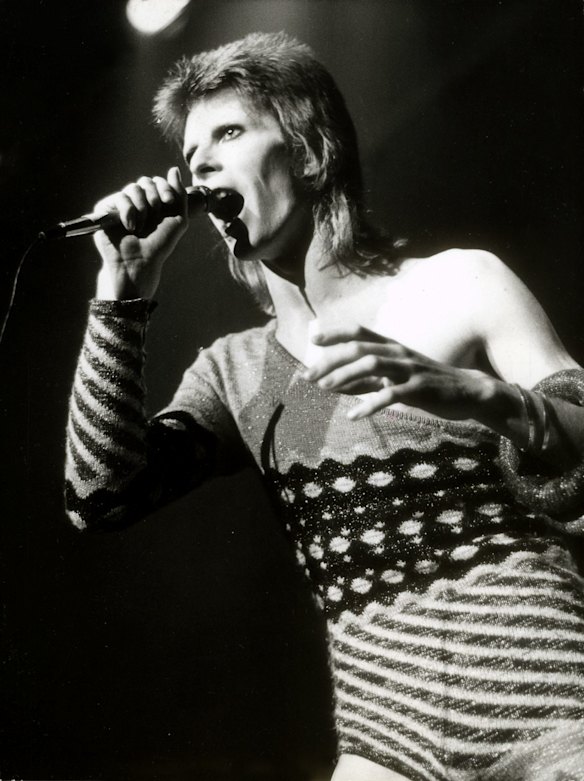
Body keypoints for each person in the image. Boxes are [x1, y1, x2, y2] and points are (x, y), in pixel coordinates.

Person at [64, 31, 584, 781]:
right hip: (386, 744)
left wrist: (474, 394)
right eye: (190, 151)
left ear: (311, 152)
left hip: (549, 714)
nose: (198, 165)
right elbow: (98, 496)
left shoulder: (459, 283)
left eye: (229, 133)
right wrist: (121, 291)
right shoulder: (243, 372)